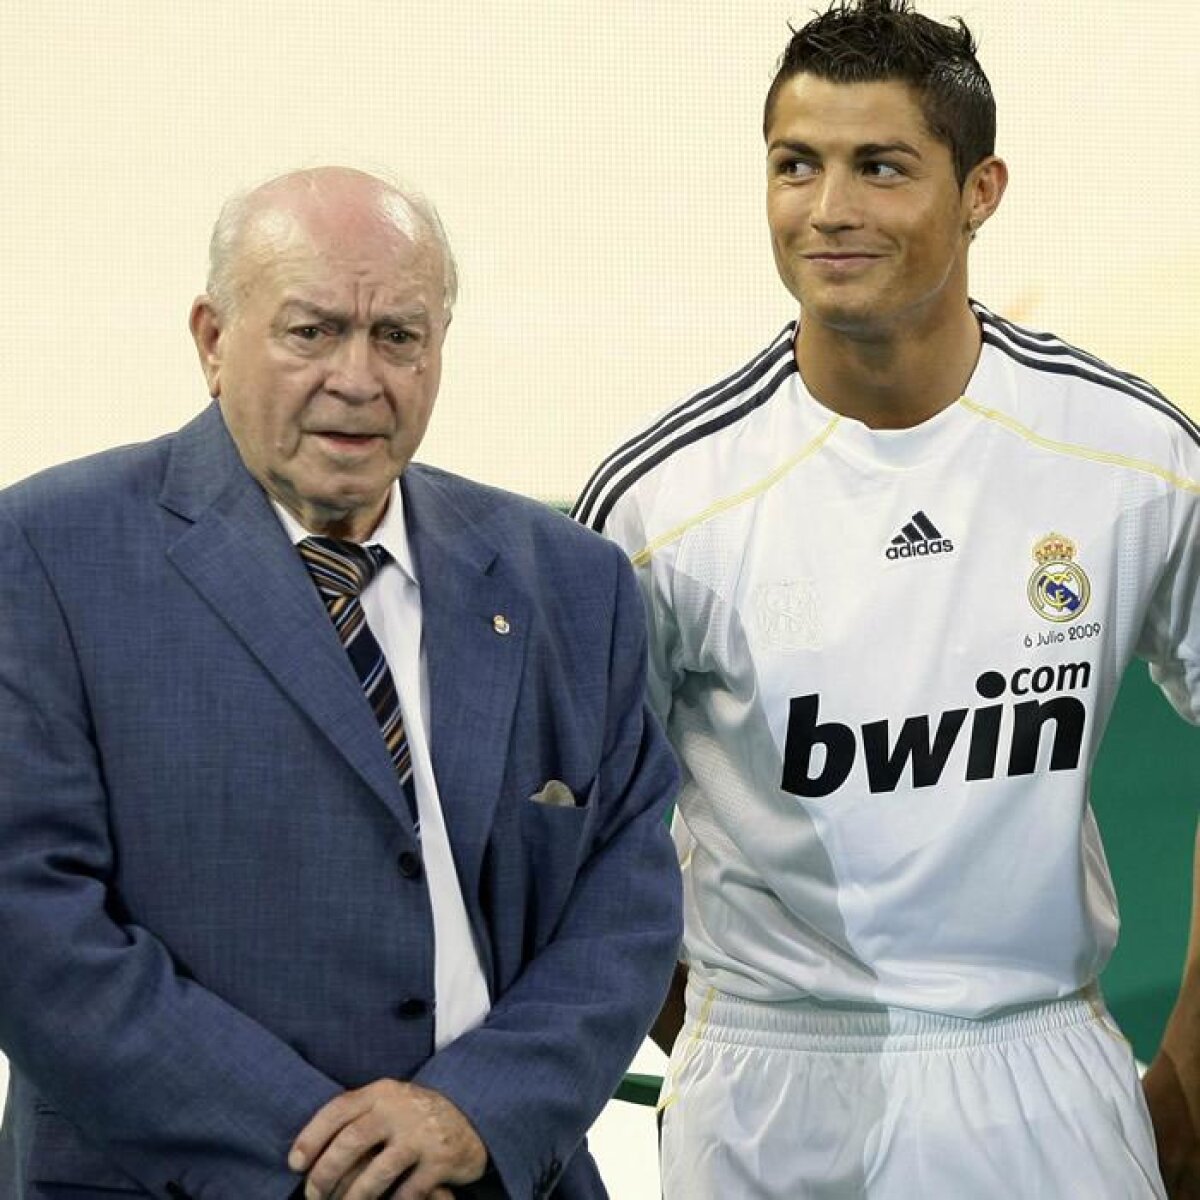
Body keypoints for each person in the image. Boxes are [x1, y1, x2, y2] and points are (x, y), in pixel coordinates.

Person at [573, 2, 1199, 1196]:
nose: (829, 209)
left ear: (980, 191)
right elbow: (565, 835)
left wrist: (1193, 1083)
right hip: (765, 1088)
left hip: (1047, 1069)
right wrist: (722, 1043)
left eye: (881, 167)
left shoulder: (1133, 456)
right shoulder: (663, 501)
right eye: (795, 165)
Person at [0, 166, 682, 1200]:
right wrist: (337, 1164)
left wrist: (475, 1113)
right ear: (212, 341)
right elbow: (31, 926)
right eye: (312, 332)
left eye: (398, 336)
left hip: (493, 1172)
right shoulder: (48, 554)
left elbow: (625, 902)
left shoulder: (570, 583)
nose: (358, 379)